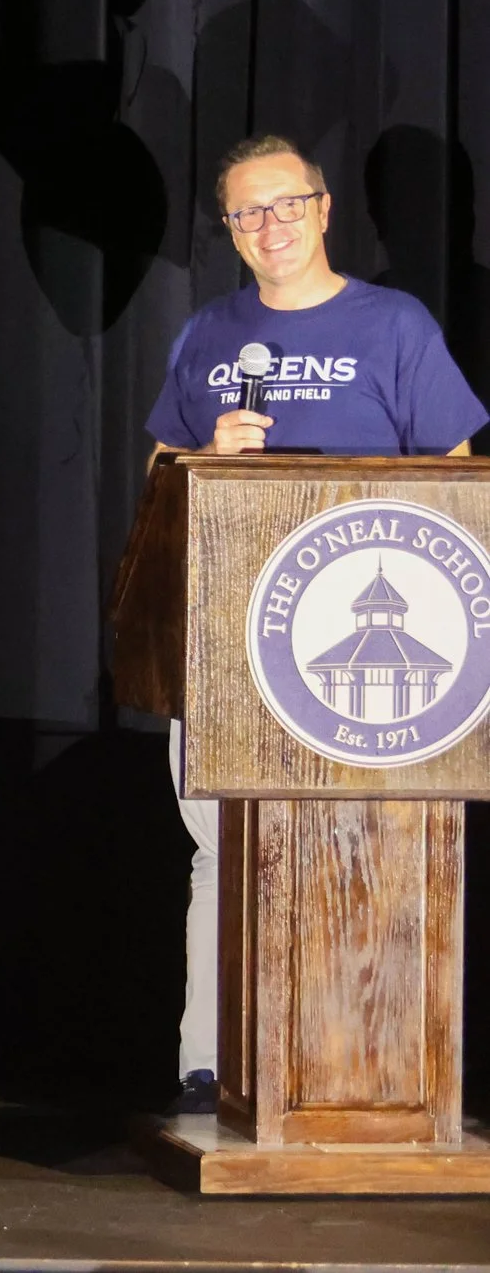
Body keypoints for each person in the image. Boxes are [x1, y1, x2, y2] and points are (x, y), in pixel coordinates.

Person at [145, 133, 487, 1114]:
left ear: (325, 208)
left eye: (286, 204)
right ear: (230, 231)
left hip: (371, 642)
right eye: (247, 212)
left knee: (384, 837)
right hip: (230, 635)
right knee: (223, 843)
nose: (270, 226)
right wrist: (203, 453)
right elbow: (157, 483)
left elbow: (455, 478)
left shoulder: (394, 325)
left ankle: (391, 1069)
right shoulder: (210, 333)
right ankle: (208, 1061)